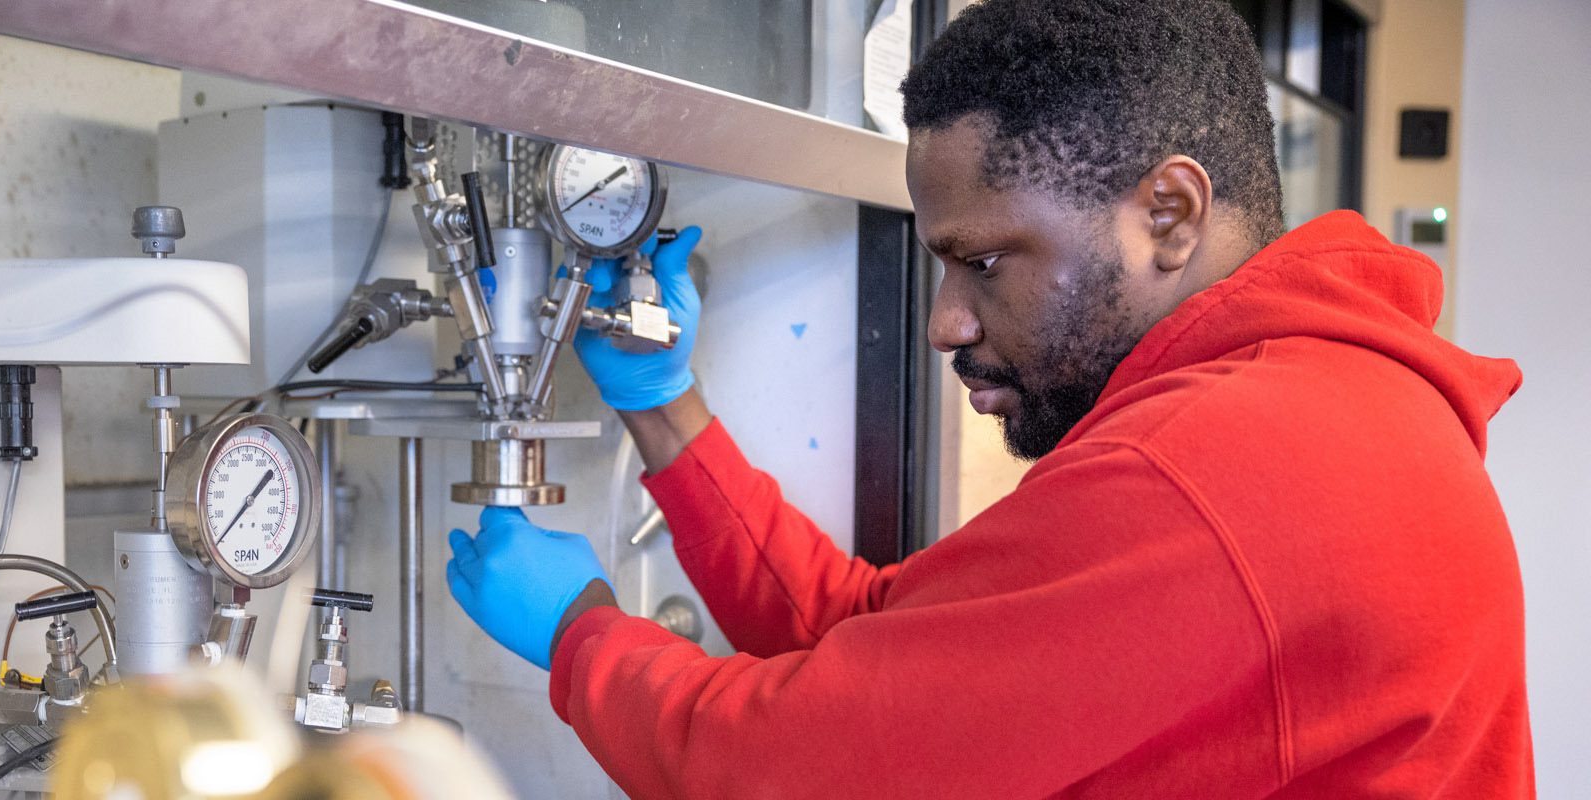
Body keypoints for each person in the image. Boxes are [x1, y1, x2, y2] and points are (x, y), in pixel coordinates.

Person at [443, 0, 1533, 796]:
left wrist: (583, 635)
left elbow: (786, 770)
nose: (943, 323)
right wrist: (666, 407)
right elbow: (883, 641)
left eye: (985, 263)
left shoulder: (1214, 474)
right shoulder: (1319, 398)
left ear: (1166, 212)